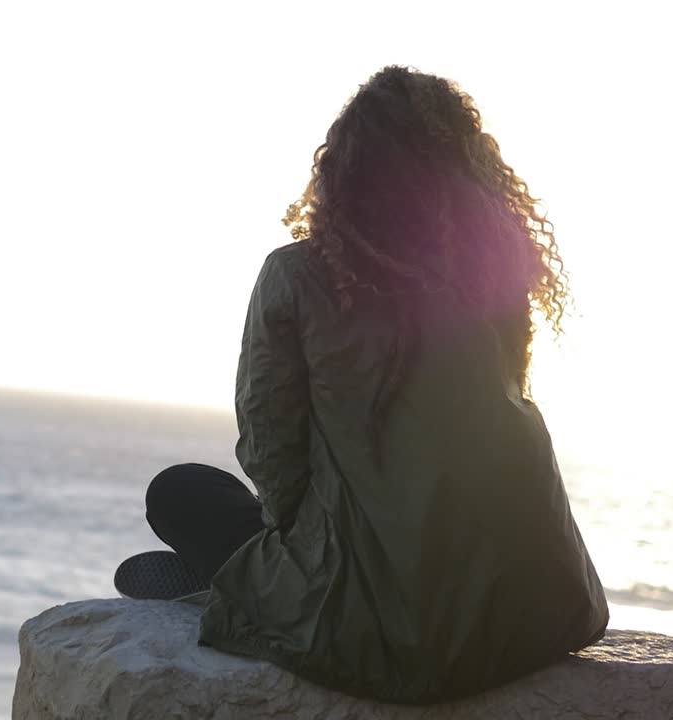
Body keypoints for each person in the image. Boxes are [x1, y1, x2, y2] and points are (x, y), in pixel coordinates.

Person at [114, 64, 609, 705]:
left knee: (181, 491)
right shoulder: (498, 272)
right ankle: (243, 569)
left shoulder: (299, 276)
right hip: (542, 610)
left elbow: (272, 448)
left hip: (389, 629)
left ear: (345, 171)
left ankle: (232, 575)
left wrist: (290, 546)